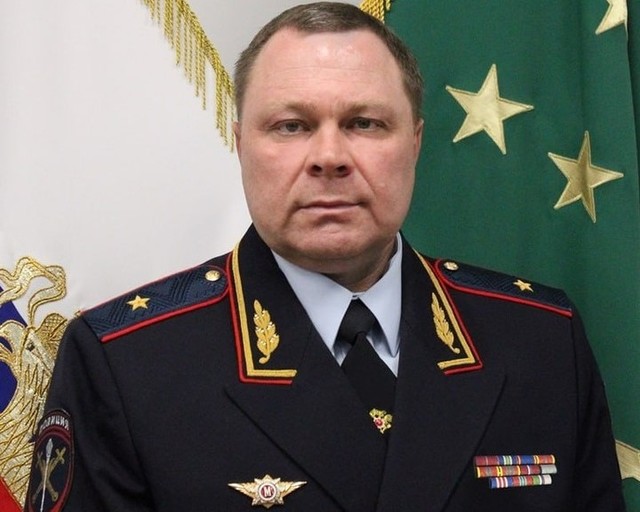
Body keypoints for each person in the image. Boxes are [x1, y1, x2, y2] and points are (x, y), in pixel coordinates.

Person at [25, 2, 625, 511]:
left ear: (415, 143)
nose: (329, 157)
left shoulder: (541, 340)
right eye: (291, 126)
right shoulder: (126, 365)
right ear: (241, 145)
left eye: (365, 123)